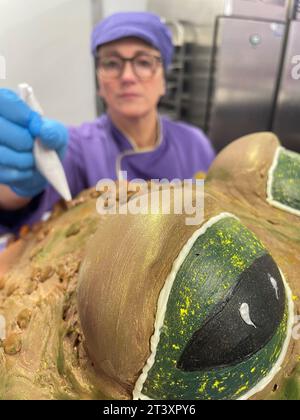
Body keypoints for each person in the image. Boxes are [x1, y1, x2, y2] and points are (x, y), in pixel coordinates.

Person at [0, 12, 215, 236]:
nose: (128, 76)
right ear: (99, 84)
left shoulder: (194, 144)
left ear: (163, 80)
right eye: (112, 63)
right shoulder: (80, 147)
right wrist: (18, 184)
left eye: (143, 62)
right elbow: (17, 206)